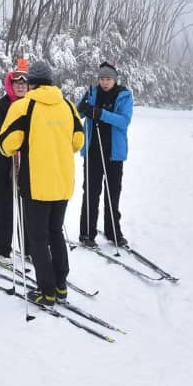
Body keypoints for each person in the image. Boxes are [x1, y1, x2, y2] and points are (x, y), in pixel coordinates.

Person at [0, 60, 84, 308]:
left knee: (37, 239)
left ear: (32, 82)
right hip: (63, 182)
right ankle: (60, 286)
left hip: (36, 184)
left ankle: (46, 292)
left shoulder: (25, 106)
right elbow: (78, 141)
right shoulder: (67, 106)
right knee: (55, 233)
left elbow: (7, 143)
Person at [76, 61, 134, 249]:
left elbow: (124, 121)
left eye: (108, 79)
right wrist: (83, 108)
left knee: (112, 194)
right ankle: (86, 233)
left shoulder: (124, 95)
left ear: (115, 79)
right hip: (93, 150)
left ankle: (113, 232)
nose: (105, 82)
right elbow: (76, 112)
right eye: (102, 78)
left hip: (113, 153)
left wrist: (100, 113)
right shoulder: (92, 92)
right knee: (91, 194)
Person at [0, 59, 29, 264]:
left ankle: (30, 248)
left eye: (24, 84)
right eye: (17, 84)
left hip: (28, 164)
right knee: (4, 206)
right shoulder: (0, 106)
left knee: (29, 206)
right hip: (4, 162)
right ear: (10, 85)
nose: (20, 87)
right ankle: (3, 249)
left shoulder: (34, 105)